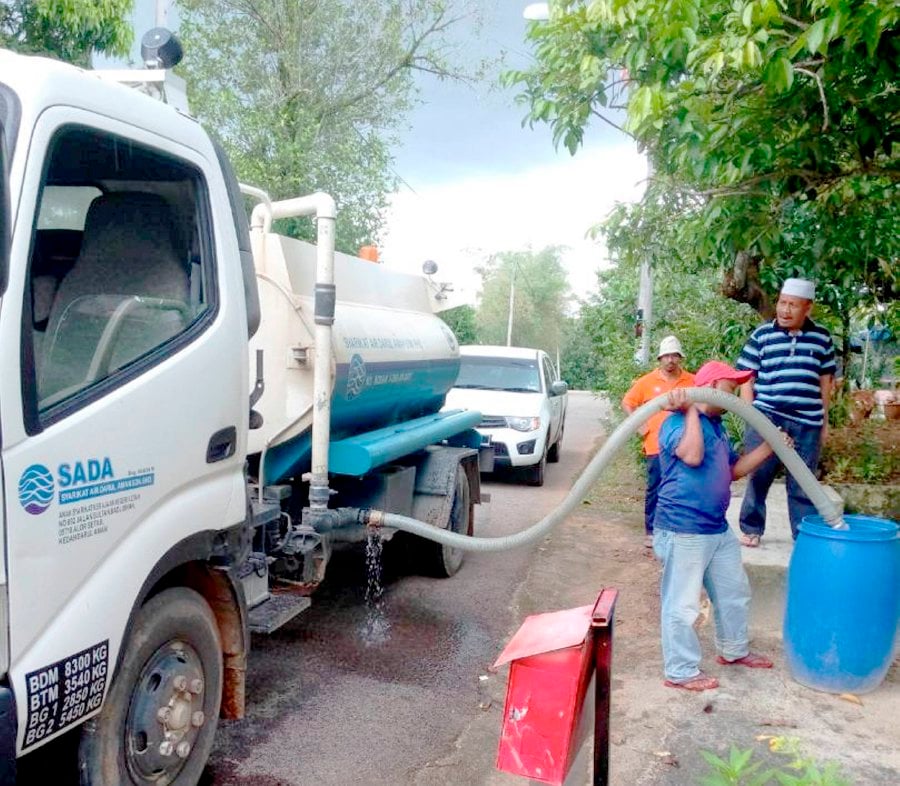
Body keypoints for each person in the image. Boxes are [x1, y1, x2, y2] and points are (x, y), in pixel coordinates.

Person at [654, 361, 786, 692]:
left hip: (715, 528)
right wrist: (691, 412)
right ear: (712, 388)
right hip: (683, 529)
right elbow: (694, 457)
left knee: (733, 593)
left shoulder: (717, 428)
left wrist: (771, 446)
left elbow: (734, 471)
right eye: (733, 387)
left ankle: (734, 650)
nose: (739, 394)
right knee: (682, 604)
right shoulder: (674, 422)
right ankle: (681, 670)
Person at [736, 278, 836, 545]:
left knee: (803, 482)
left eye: (793, 305)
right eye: (782, 302)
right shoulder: (761, 335)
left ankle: (802, 536)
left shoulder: (822, 337)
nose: (785, 310)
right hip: (767, 416)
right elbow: (746, 376)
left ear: (808, 308)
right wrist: (750, 414)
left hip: (807, 421)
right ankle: (752, 528)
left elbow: (826, 381)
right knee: (759, 474)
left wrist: (824, 421)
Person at [622, 336, 695, 549]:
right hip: (655, 444)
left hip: (684, 445)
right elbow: (628, 403)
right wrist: (641, 427)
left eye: (674, 356)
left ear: (680, 358)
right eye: (666, 356)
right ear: (660, 358)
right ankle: (651, 531)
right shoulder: (646, 382)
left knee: (682, 486)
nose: (670, 360)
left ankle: (678, 528)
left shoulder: (693, 380)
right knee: (656, 487)